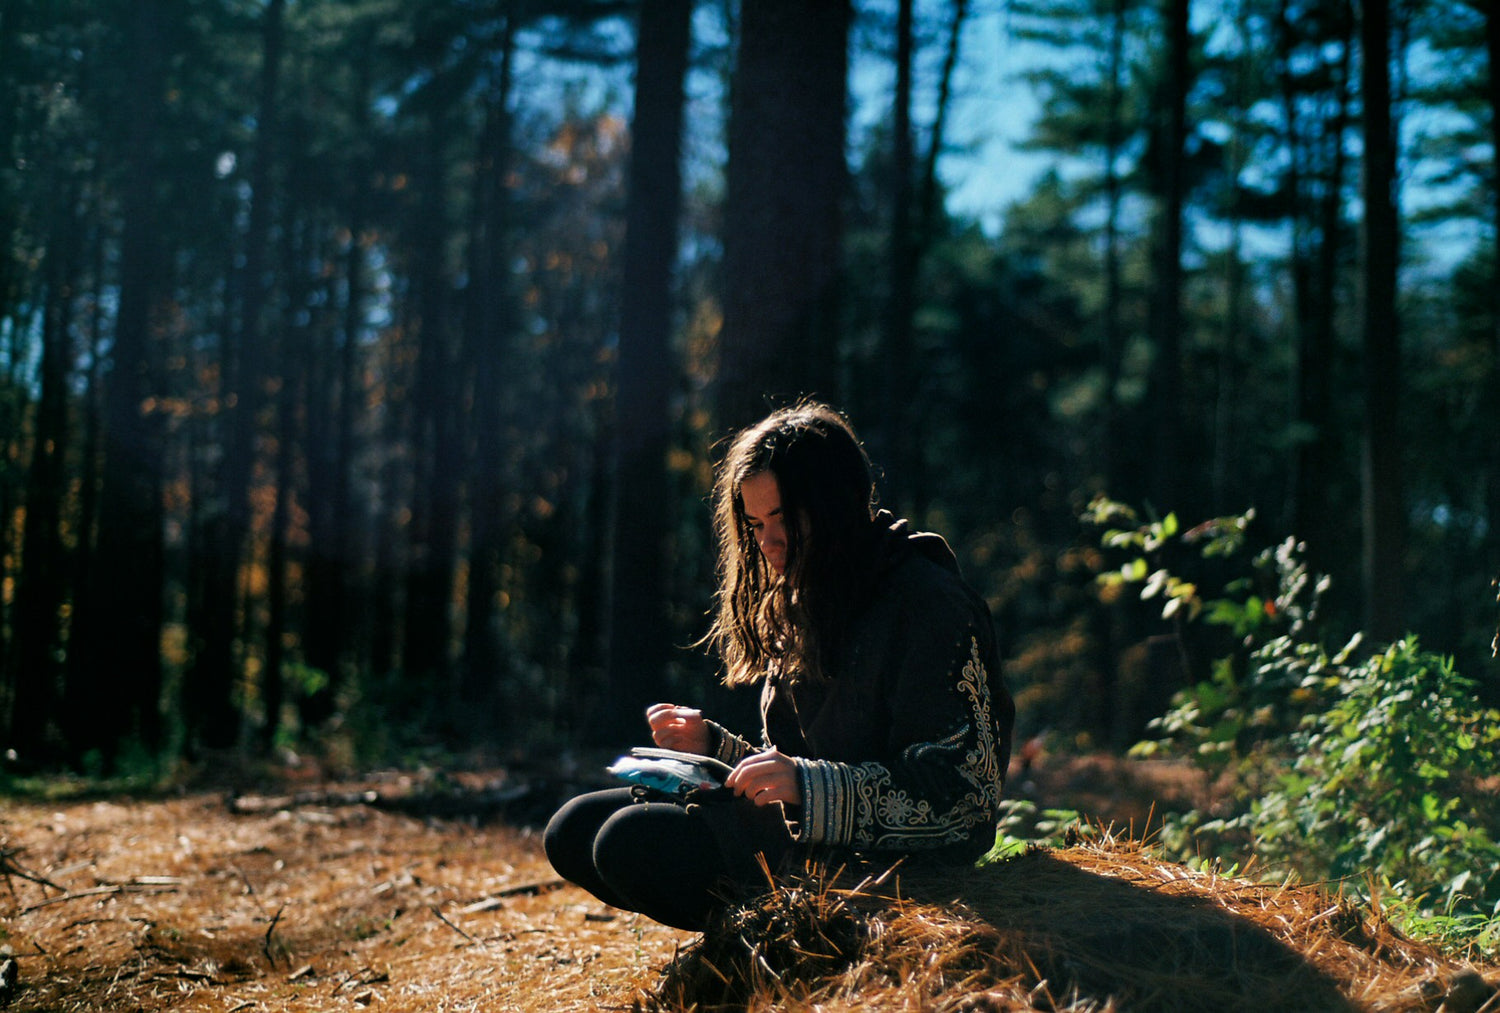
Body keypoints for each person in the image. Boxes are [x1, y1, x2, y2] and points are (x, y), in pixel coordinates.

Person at [543, 401, 1015, 931]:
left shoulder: (930, 605)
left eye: (786, 520)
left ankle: (785, 948)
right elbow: (797, 770)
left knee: (629, 842)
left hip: (891, 876)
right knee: (573, 828)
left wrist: (808, 787)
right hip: (809, 849)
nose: (768, 542)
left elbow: (964, 805)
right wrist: (716, 748)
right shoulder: (806, 597)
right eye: (756, 524)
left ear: (838, 504)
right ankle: (758, 944)